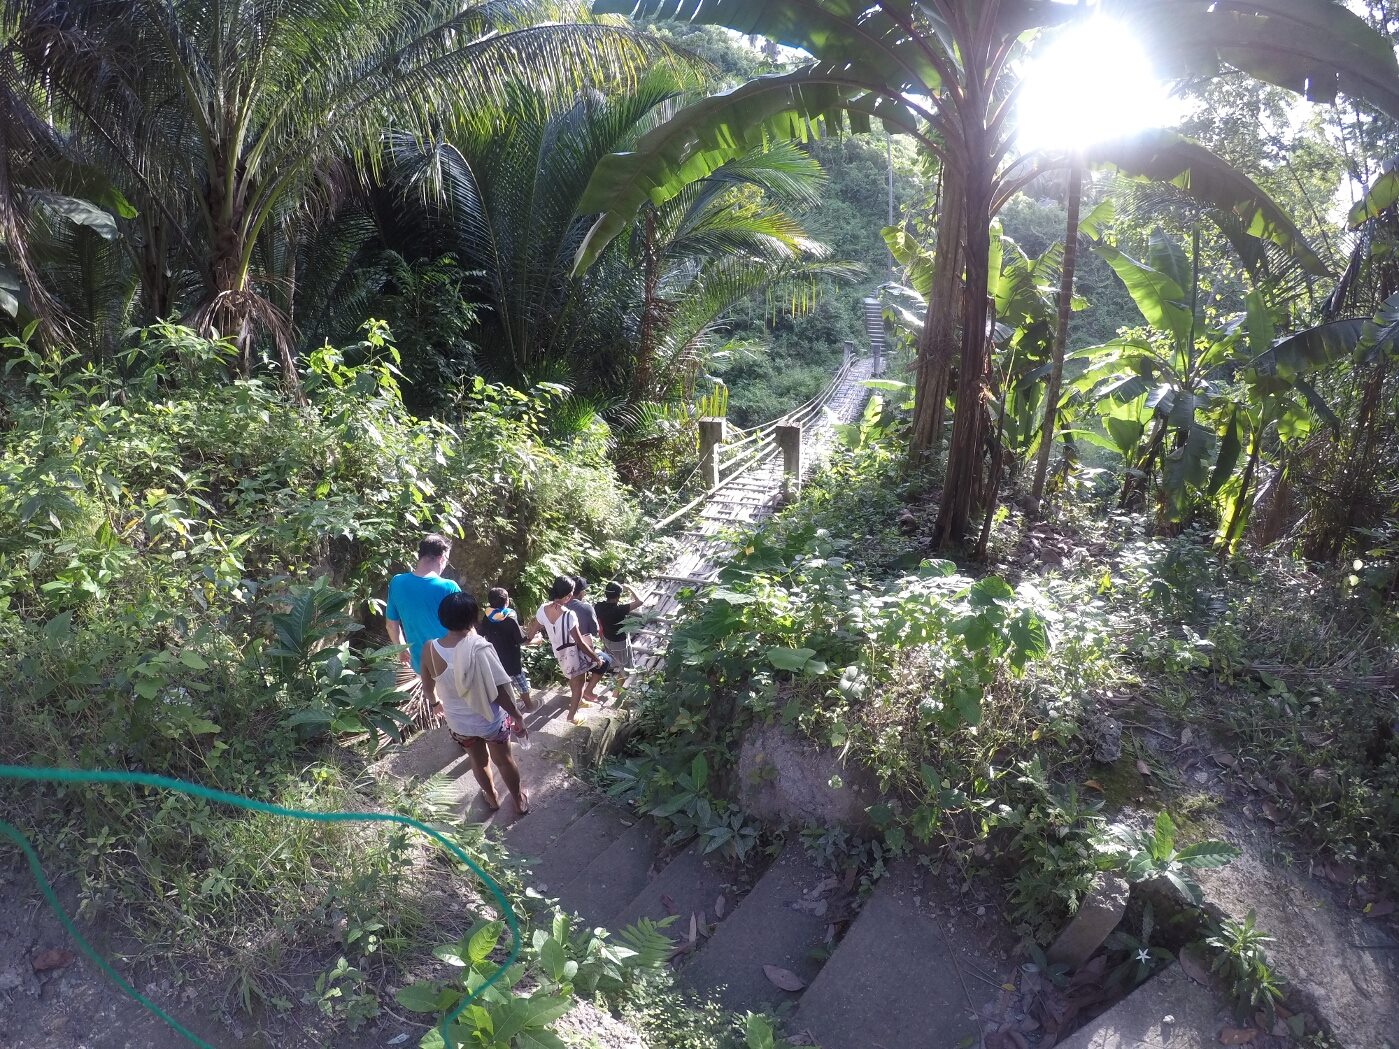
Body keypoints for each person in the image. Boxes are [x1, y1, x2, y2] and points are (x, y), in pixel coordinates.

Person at [420, 592, 529, 815]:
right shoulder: (480, 647)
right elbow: (498, 691)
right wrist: (517, 715)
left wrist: (434, 704)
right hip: (490, 721)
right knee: (505, 761)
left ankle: (492, 797)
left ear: (442, 618)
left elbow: (428, 685)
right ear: (473, 618)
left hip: (459, 724)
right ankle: (518, 800)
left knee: (477, 762)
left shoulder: (430, 649)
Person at [385, 534, 460, 676]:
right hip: (452, 666)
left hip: (421, 667)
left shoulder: (397, 582)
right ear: (441, 557)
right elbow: (466, 629)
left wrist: (401, 649)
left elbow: (391, 625)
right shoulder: (449, 587)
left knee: (434, 698)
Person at [531, 575, 603, 722]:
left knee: (573, 678)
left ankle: (576, 703)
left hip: (559, 652)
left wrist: (528, 640)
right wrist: (596, 658)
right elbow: (580, 643)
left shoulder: (542, 609)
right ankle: (571, 716)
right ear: (569, 595)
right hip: (573, 653)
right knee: (580, 683)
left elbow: (531, 632)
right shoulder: (569, 615)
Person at [479, 587, 534, 712]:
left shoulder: (487, 616)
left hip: (495, 657)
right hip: (512, 658)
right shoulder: (510, 617)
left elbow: (481, 633)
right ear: (506, 601)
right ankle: (530, 706)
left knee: (504, 684)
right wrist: (535, 639)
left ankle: (510, 708)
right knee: (520, 683)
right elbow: (521, 639)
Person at [566, 576, 605, 703]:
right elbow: (594, 630)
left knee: (574, 671)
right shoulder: (586, 607)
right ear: (581, 592)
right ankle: (586, 693)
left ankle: (577, 695)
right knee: (605, 661)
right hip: (581, 648)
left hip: (562, 648)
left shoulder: (559, 605)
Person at [595, 581, 646, 670]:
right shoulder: (619, 610)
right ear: (618, 596)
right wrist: (630, 588)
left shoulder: (598, 606)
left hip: (606, 638)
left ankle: (615, 668)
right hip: (619, 642)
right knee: (625, 664)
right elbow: (640, 601)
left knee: (613, 657)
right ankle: (625, 678)